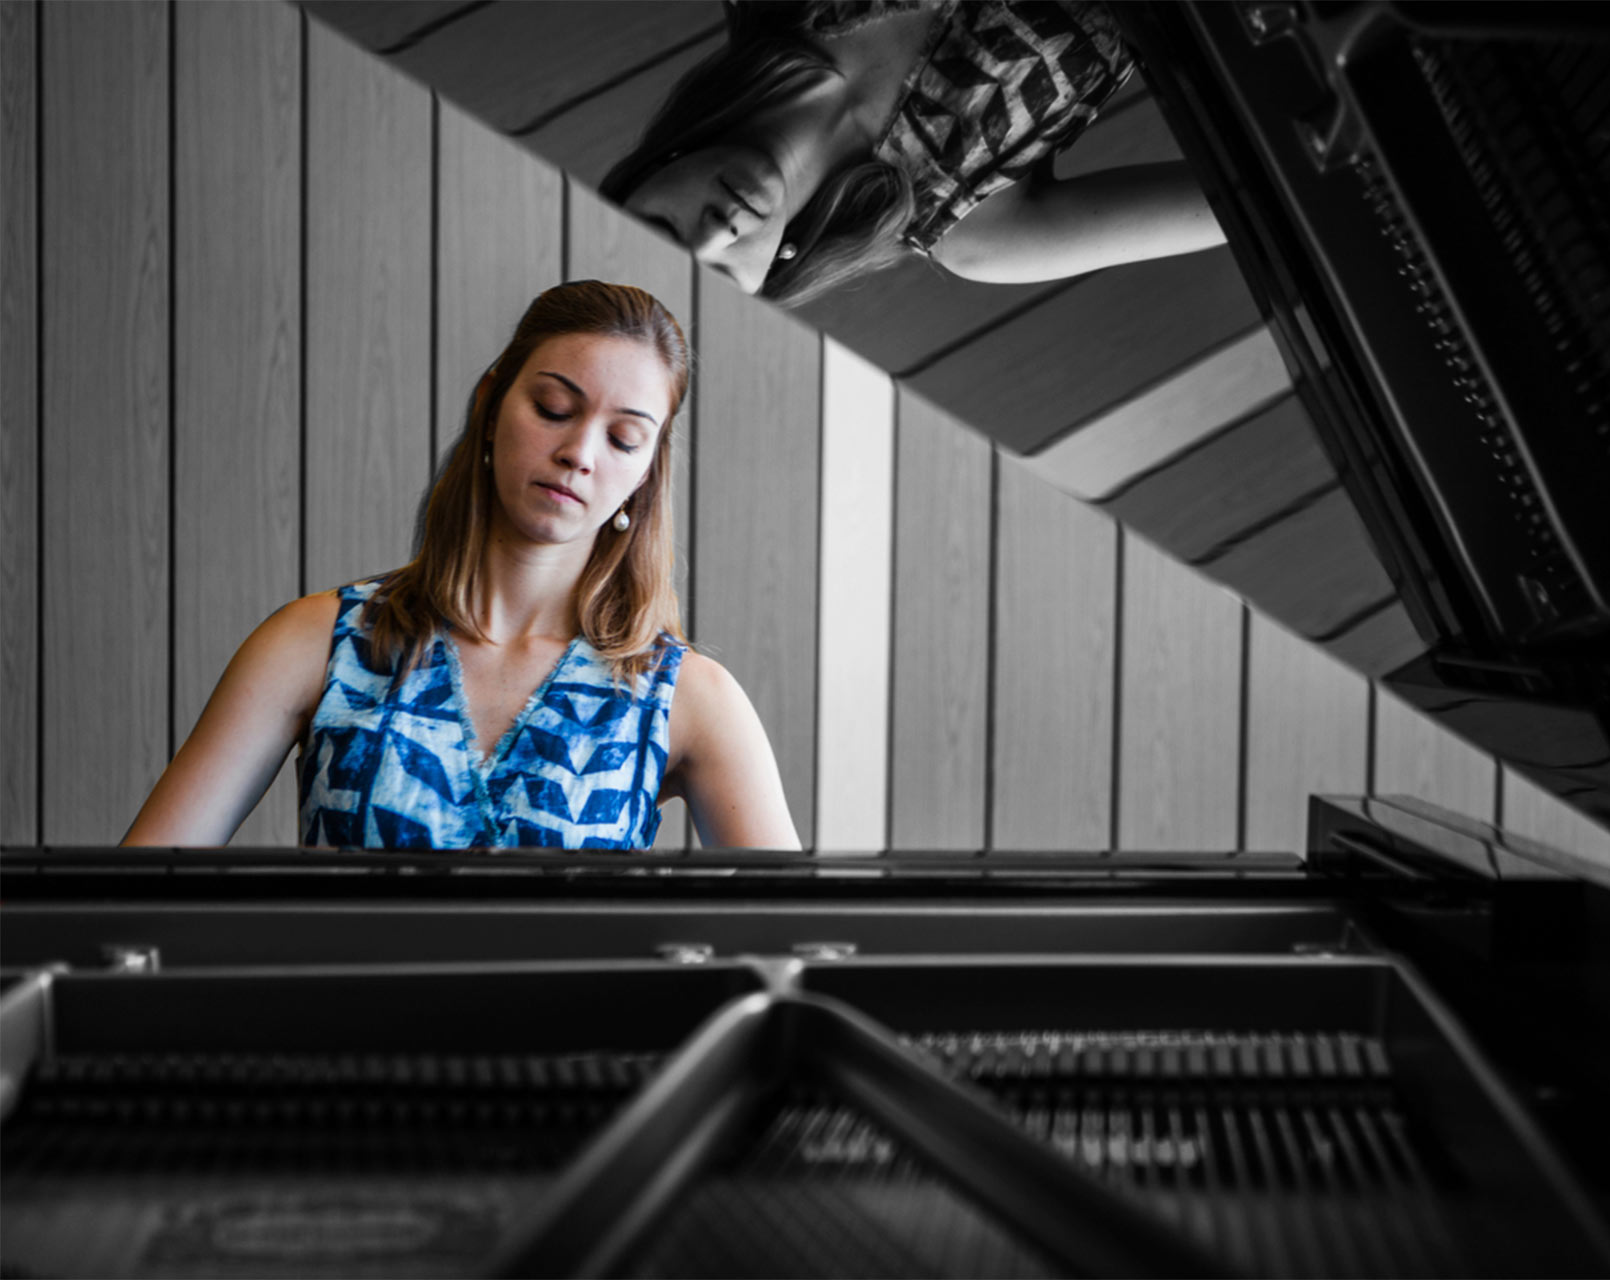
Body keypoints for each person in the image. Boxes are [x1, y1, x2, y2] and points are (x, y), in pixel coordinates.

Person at [122, 281, 801, 852]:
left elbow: (798, 946)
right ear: (489, 404)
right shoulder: (317, 642)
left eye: (624, 438)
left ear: (647, 474)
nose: (580, 452)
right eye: (554, 409)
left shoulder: (685, 697)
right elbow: (129, 897)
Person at [599, 0, 1225, 304]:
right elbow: (1261, 200)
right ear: (763, 284)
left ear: (648, 175)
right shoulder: (971, 229)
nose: (714, 234)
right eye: (717, 275)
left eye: (661, 228)